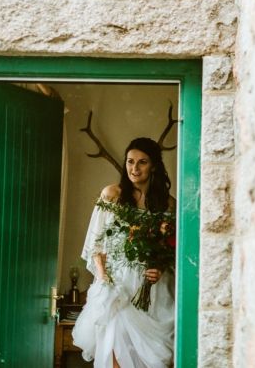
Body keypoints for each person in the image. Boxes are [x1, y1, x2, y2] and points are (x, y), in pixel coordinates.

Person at [72, 137, 176, 368]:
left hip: (154, 290)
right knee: (115, 352)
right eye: (130, 162)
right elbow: (95, 243)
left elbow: (171, 247)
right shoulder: (112, 194)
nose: (134, 168)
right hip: (118, 287)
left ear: (154, 166)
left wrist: (158, 268)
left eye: (142, 162)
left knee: (156, 359)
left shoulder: (168, 204)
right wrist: (104, 278)